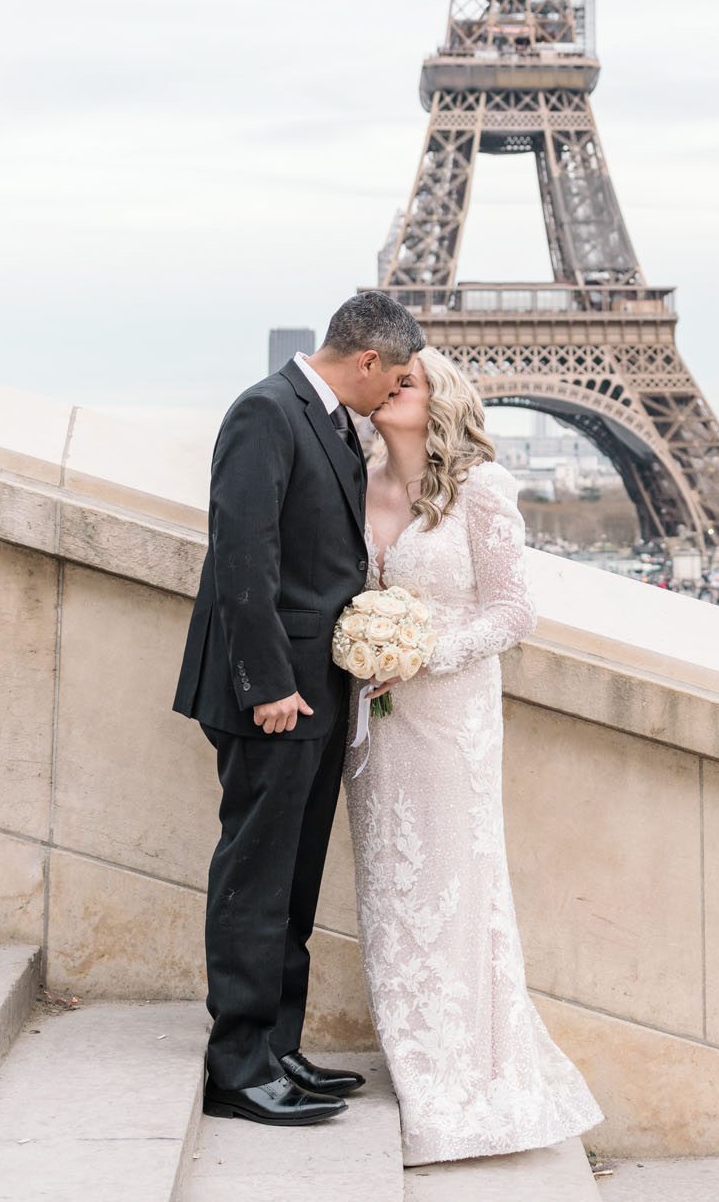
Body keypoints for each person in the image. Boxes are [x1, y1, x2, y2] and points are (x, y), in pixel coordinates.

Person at [173, 291, 425, 1128]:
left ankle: (276, 1046)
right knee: (256, 875)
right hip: (274, 693)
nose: (394, 393)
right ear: (363, 359)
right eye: (391, 377)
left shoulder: (318, 418)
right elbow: (243, 553)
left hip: (317, 687)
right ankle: (237, 1064)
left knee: (294, 876)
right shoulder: (264, 411)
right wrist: (267, 683)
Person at [349, 347, 601, 1167]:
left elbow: (512, 611)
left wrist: (424, 654)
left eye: (407, 381)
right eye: (385, 377)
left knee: (454, 889)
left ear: (440, 399)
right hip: (375, 719)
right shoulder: (355, 482)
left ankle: (460, 1078)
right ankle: (415, 1056)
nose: (390, 386)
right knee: (391, 885)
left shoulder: (481, 490)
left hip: (449, 717)